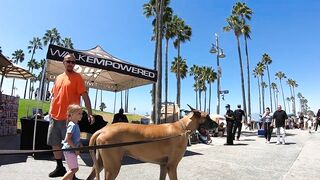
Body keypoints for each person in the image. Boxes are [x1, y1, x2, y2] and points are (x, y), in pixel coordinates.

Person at [47, 54, 94, 178]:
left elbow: (85, 96)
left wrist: (90, 113)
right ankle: (59, 167)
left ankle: (72, 174)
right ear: (63, 62)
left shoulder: (78, 77)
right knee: (55, 143)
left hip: (69, 119)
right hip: (54, 116)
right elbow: (54, 96)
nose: (71, 64)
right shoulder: (58, 78)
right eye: (68, 61)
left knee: (71, 148)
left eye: (73, 62)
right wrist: (50, 112)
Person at [62, 104, 83, 180]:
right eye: (79, 113)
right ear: (72, 114)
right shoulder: (72, 125)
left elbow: (76, 137)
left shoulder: (76, 125)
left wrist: (80, 144)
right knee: (74, 169)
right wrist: (75, 149)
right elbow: (68, 139)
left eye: (81, 113)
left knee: (71, 169)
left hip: (71, 150)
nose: (81, 115)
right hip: (69, 150)